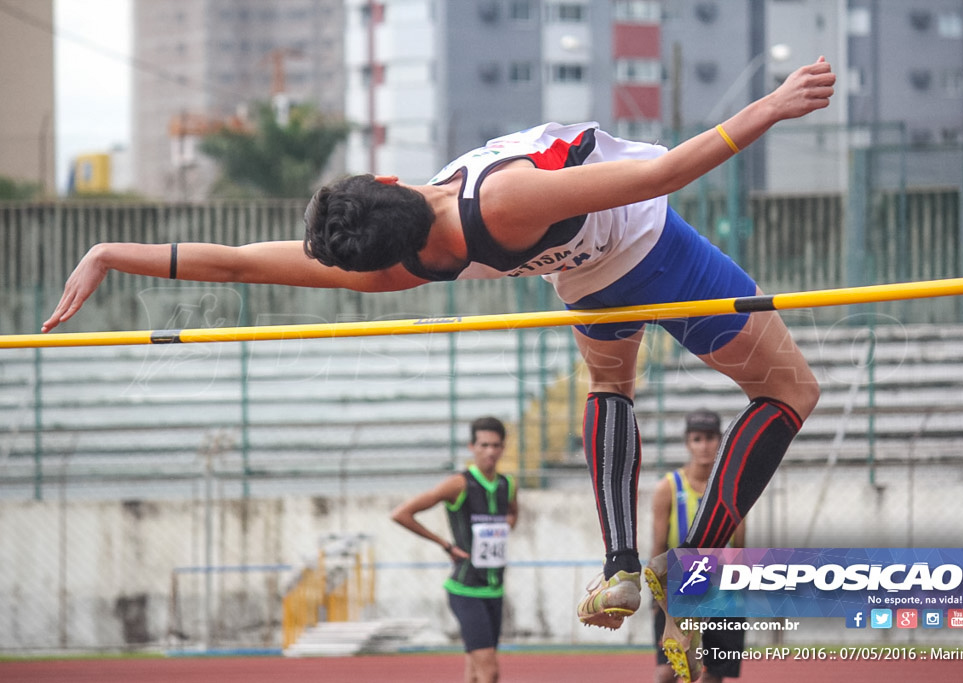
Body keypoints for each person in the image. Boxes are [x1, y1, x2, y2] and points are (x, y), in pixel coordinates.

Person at [42, 57, 832, 674]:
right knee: (789, 391)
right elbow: (661, 174)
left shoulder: (394, 268)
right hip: (650, 246)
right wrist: (773, 104)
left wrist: (115, 251)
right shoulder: (500, 199)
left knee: (610, 384)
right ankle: (698, 559)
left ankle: (622, 562)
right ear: (388, 180)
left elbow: (242, 264)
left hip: (586, 282)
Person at [390, 416, 517, 683]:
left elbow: (513, 513)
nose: (490, 451)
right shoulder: (459, 484)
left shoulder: (508, 484)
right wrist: (445, 545)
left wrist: (501, 530)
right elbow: (402, 514)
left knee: (474, 670)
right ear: (472, 447)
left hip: (495, 589)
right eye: (484, 445)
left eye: (496, 445)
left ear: (503, 447)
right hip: (466, 589)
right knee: (490, 672)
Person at [650, 409, 747, 683]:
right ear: (687, 442)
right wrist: (656, 595)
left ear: (720, 441)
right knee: (667, 671)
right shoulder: (668, 488)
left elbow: (739, 545)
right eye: (697, 438)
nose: (704, 446)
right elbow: (658, 544)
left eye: (711, 438)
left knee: (712, 674)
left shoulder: (732, 488)